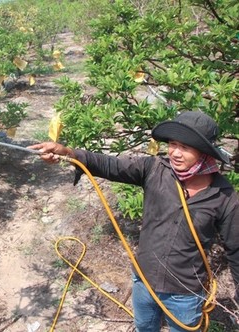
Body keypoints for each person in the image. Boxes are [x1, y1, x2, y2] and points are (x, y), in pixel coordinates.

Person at [28, 111, 239, 332]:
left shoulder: (223, 195)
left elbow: (236, 249)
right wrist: (68, 153)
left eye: (185, 148)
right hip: (143, 282)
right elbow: (110, 165)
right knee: (144, 328)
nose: (175, 153)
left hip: (185, 293)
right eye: (173, 144)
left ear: (204, 153)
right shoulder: (155, 169)